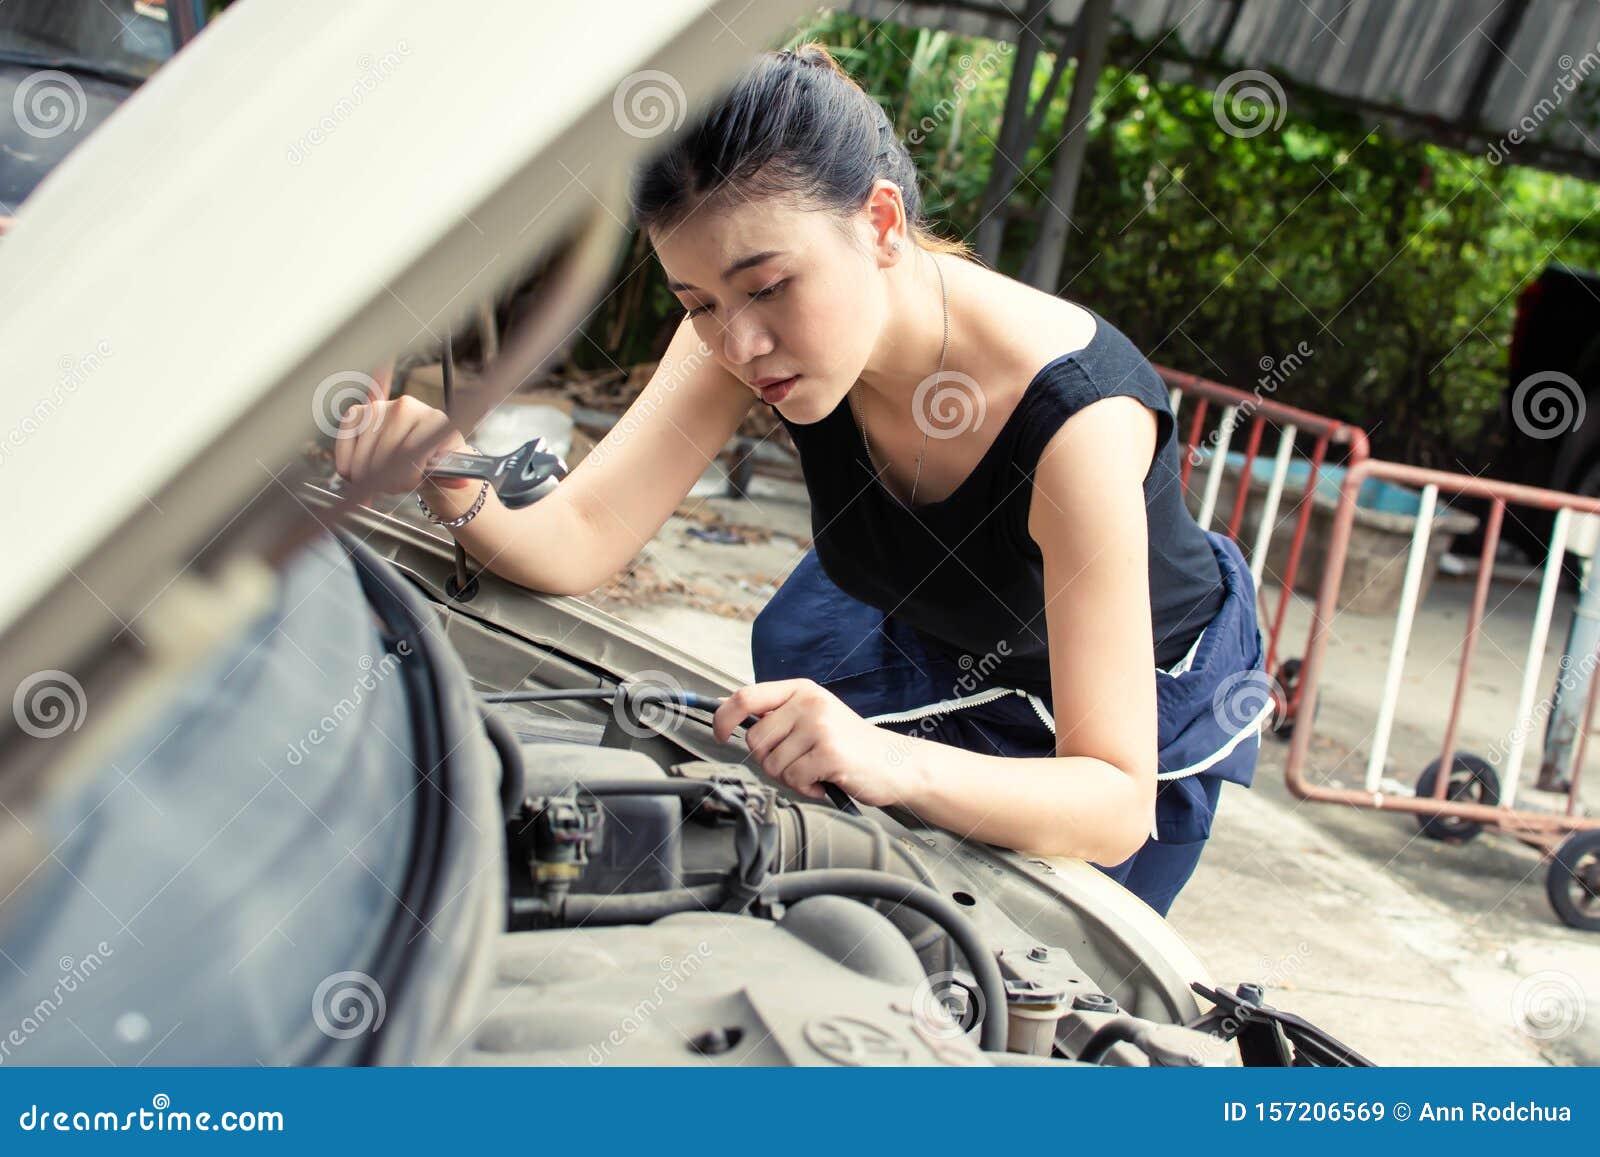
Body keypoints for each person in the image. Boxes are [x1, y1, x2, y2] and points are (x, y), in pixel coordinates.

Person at [335, 44, 1270, 916]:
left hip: (1114, 728)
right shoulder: (737, 332)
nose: (738, 344)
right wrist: (446, 476)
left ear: (881, 223)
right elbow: (580, 535)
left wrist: (885, 758)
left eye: (770, 285)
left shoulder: (1076, 421)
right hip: (936, 634)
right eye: (697, 303)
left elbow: (1109, 798)